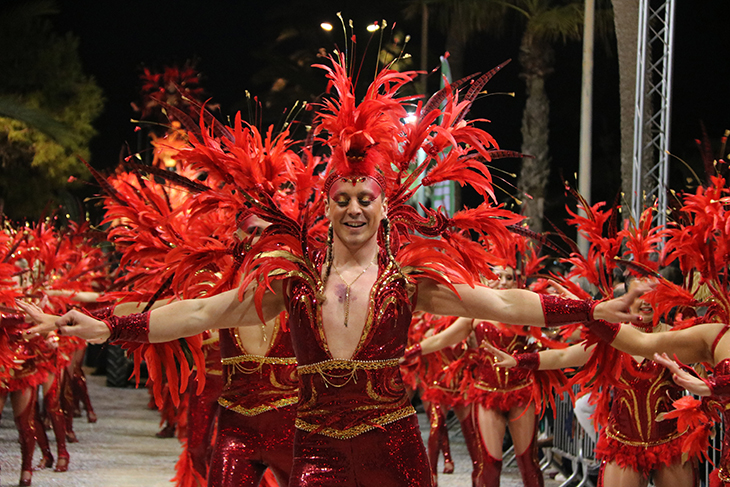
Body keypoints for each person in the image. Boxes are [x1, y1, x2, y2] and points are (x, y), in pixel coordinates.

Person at [22, 55, 648, 487]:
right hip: (317, 448)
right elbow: (200, 313)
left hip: (396, 451)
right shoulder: (291, 281)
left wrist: (591, 310)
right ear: (324, 204)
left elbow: (502, 305)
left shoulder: (408, 278)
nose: (353, 209)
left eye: (364, 198)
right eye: (341, 198)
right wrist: (106, 324)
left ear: (382, 204)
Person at [486, 278, 697, 487]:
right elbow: (564, 357)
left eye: (653, 294)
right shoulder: (615, 336)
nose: (646, 301)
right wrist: (519, 360)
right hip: (624, 444)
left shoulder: (675, 336)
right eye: (640, 294)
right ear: (626, 297)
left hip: (672, 441)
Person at [404, 265, 548, 487]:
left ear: (517, 281)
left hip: (521, 393)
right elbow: (441, 339)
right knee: (488, 466)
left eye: (509, 277)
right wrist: (409, 353)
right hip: (487, 394)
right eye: (497, 276)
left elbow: (554, 333)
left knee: (528, 463)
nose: (502, 281)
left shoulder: (526, 309)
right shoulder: (476, 314)